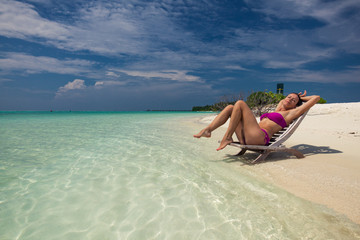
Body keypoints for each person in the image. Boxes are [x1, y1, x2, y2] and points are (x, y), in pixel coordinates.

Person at [193, 90, 320, 151]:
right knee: (231, 107)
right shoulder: (278, 109)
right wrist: (297, 96)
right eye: (289, 97)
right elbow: (282, 101)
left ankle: (228, 136)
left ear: (295, 106)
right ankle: (208, 130)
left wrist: (301, 99)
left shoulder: (291, 113)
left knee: (240, 103)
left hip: (259, 138)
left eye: (294, 101)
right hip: (248, 135)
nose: (290, 99)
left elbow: (316, 98)